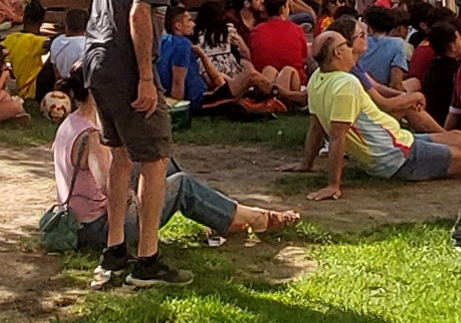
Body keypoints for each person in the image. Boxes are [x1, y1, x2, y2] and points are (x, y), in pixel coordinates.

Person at [83, 0, 190, 290]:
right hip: (126, 66)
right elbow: (139, 13)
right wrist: (146, 77)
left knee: (121, 156)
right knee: (155, 157)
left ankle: (114, 252)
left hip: (98, 61)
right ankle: (147, 261)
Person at [37, 89, 296, 251]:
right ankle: (256, 218)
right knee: (180, 184)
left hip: (81, 217)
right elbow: (111, 189)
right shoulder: (92, 135)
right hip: (96, 229)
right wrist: (138, 196)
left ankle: (227, 216)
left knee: (161, 165)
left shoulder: (71, 123)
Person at [305, 30, 461, 198]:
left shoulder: (317, 78)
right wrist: (333, 185)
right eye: (347, 44)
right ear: (338, 52)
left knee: (458, 137)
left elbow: (316, 127)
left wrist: (306, 164)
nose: (351, 48)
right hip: (395, 155)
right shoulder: (346, 84)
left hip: (397, 140)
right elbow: (338, 136)